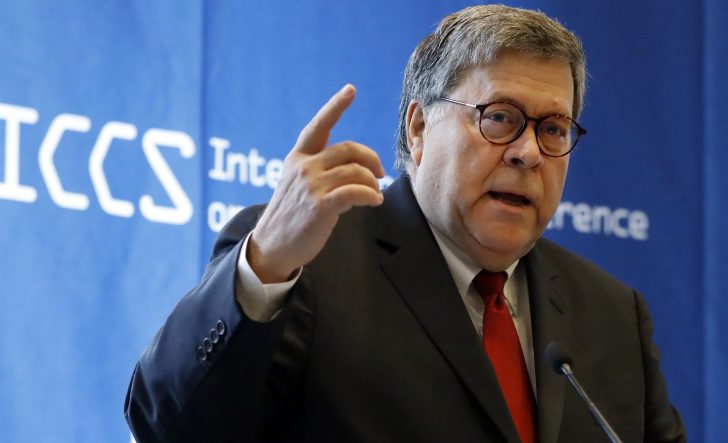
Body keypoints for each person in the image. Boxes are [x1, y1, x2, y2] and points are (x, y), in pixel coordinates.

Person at [124, 5, 686, 442]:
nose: (528, 153)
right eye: (500, 118)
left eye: (554, 130)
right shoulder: (304, 264)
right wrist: (266, 261)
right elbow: (168, 427)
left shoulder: (612, 315)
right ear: (418, 128)